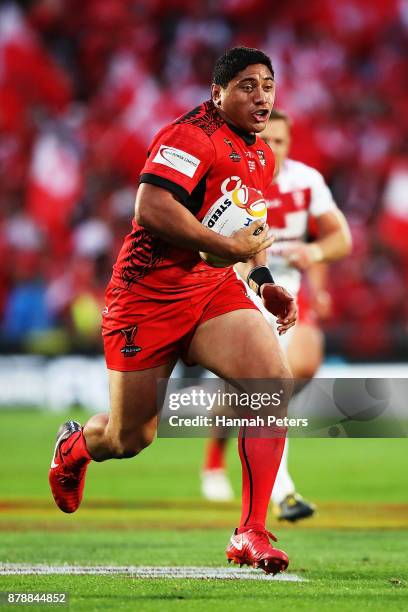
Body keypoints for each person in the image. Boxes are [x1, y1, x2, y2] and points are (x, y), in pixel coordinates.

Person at [48, 47, 298, 575]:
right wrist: (224, 247)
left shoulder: (260, 155)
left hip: (208, 289)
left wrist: (262, 278)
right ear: (217, 92)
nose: (261, 96)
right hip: (146, 295)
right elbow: (152, 208)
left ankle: (250, 531)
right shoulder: (189, 136)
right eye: (247, 86)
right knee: (130, 437)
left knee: (270, 379)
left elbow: (243, 230)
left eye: (268, 86)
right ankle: (75, 447)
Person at [201, 109, 352, 521]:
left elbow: (339, 237)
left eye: (281, 141)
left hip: (291, 293)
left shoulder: (307, 182)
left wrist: (314, 257)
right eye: (265, 139)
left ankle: (224, 453)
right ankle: (279, 491)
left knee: (289, 372)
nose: (272, 149)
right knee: (269, 386)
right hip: (237, 291)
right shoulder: (229, 181)